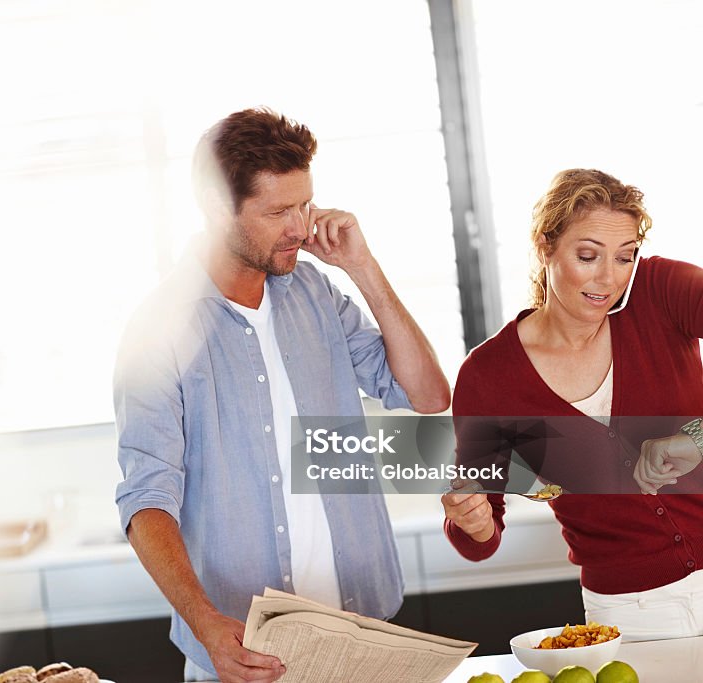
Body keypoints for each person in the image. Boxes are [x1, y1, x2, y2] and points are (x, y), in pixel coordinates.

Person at [114, 107, 450, 683]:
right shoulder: (159, 331)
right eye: (277, 211)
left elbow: (426, 394)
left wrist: (362, 267)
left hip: (360, 637)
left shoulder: (314, 292)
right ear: (218, 208)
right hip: (244, 655)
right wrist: (203, 622)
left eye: (304, 204)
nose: (299, 226)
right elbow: (146, 500)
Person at [442, 168, 703, 641]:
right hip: (632, 615)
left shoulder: (662, 290)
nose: (609, 278)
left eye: (625, 257)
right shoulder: (488, 377)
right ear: (545, 246)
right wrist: (470, 520)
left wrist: (696, 437)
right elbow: (480, 535)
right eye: (588, 256)